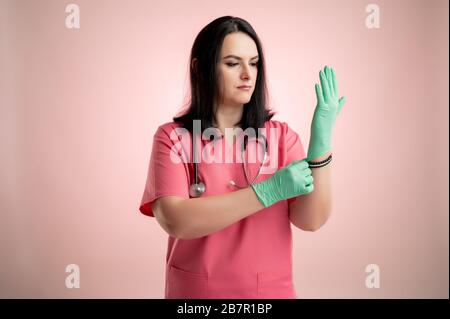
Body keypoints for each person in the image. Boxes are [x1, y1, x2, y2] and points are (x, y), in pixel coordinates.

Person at [139, 16, 346, 299]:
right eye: (233, 63)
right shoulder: (174, 138)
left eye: (254, 62)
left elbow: (310, 220)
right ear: (200, 68)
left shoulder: (281, 138)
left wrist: (321, 141)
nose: (248, 74)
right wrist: (268, 191)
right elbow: (175, 220)